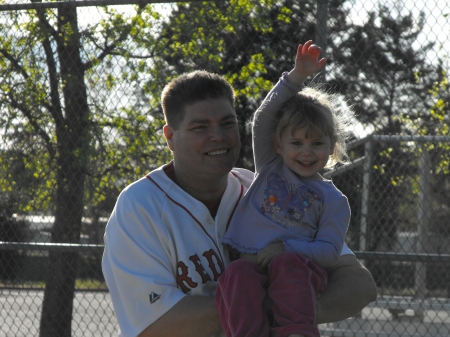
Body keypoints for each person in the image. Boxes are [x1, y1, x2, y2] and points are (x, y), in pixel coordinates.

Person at [102, 51, 377, 336]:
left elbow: (359, 285)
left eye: (227, 123)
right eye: (200, 127)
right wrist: (280, 301)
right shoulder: (138, 208)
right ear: (170, 137)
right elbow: (156, 324)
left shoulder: (263, 188)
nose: (218, 136)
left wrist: (294, 313)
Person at [215, 40, 352, 337]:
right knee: (236, 275)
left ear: (331, 147)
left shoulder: (333, 199)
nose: (307, 151)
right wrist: (296, 77)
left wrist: (284, 249)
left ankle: (296, 332)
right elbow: (262, 119)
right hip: (248, 262)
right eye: (297, 143)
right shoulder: (269, 165)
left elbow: (328, 252)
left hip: (297, 268)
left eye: (317, 143)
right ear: (279, 144)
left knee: (289, 267)